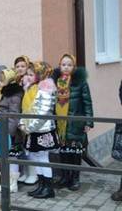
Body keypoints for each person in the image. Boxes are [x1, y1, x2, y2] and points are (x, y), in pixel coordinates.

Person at [53, 54, 93, 191]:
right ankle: (65, 177)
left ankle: (75, 179)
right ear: (60, 66)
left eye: (69, 65)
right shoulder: (56, 82)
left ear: (74, 67)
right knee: (63, 152)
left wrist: (88, 122)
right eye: (63, 64)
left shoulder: (80, 82)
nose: (66, 67)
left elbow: (87, 102)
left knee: (75, 152)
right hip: (61, 124)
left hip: (76, 123)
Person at [19, 61, 58, 199]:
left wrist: (29, 127)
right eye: (27, 74)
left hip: (42, 129)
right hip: (33, 129)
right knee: (35, 157)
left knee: (43, 158)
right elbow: (26, 109)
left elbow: (42, 112)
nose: (28, 77)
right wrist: (23, 123)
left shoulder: (45, 89)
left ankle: (48, 188)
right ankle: (41, 185)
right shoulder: (31, 88)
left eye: (31, 74)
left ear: (40, 74)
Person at [0, 68, 24, 193]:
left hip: (9, 132)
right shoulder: (4, 93)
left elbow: (14, 115)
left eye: (1, 81)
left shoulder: (14, 95)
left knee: (11, 158)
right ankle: (6, 181)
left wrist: (8, 134)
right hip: (2, 129)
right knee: (5, 157)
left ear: (9, 81)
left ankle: (13, 184)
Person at [14, 55, 38, 185]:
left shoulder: (29, 83)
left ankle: (33, 173)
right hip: (17, 117)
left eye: (23, 66)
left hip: (27, 117)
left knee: (30, 147)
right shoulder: (16, 81)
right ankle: (24, 172)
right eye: (17, 66)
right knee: (22, 148)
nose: (20, 68)